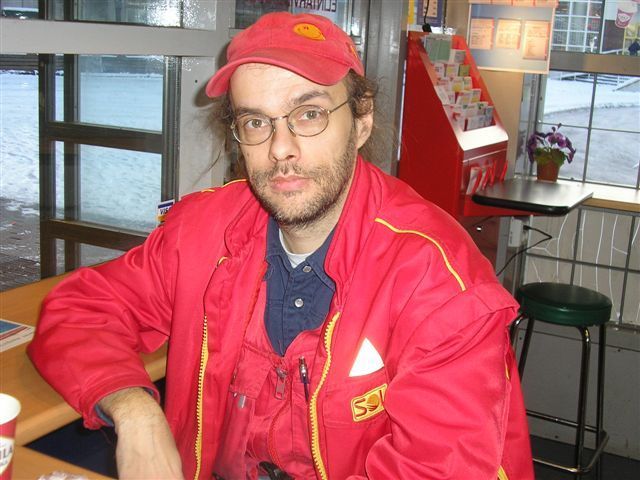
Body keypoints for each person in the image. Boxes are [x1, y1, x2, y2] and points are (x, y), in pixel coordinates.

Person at [28, 12, 534, 480]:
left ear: (361, 120)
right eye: (256, 122)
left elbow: (446, 467)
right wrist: (136, 411)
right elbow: (80, 311)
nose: (280, 149)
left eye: (308, 114)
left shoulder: (438, 279)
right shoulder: (202, 231)